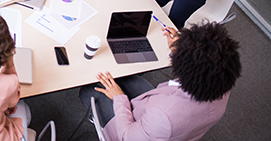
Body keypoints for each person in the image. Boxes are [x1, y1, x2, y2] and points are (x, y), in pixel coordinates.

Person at [79, 21, 242, 141]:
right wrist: (178, 51)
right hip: (163, 107)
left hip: (133, 129)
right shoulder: (220, 84)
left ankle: (99, 122)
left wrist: (119, 98)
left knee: (88, 90)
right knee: (125, 77)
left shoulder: (164, 118)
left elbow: (127, 136)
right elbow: (198, 70)